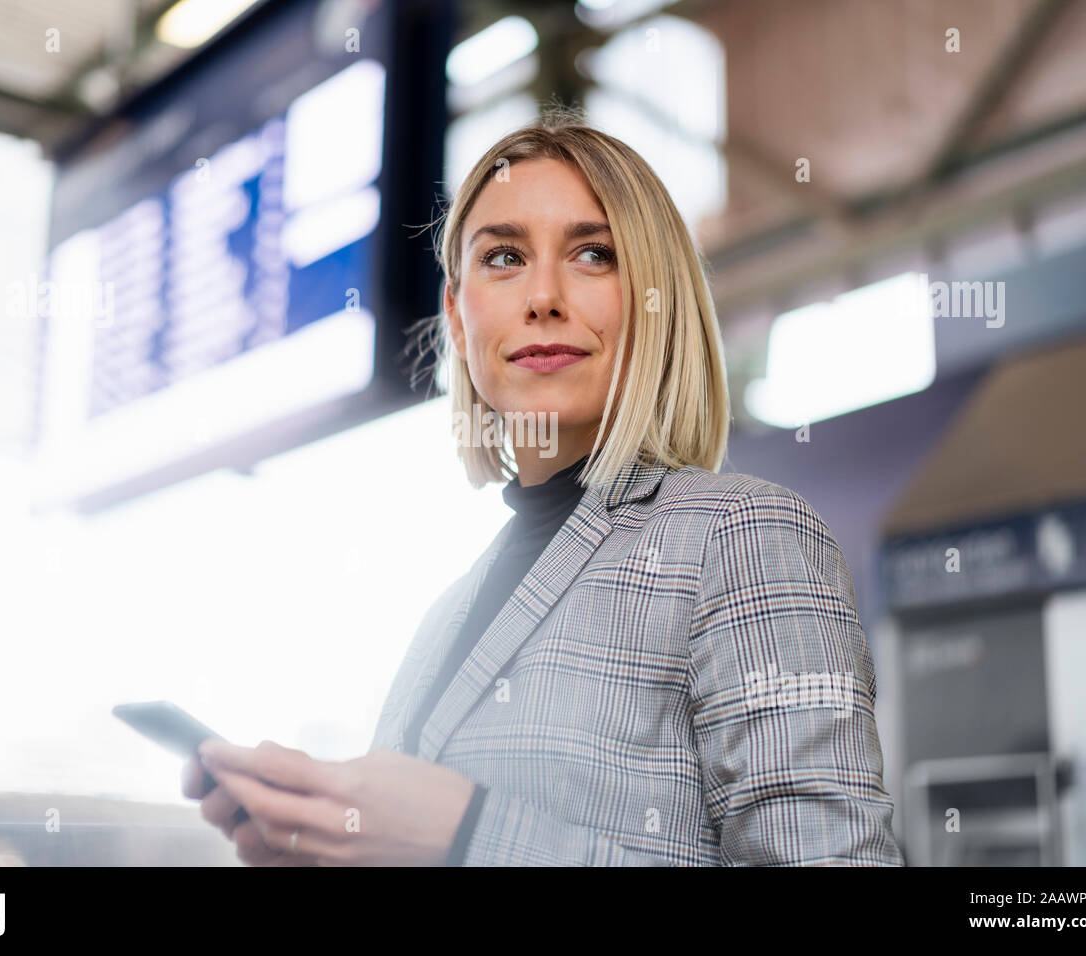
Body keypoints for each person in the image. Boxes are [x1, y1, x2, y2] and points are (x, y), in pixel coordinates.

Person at [183, 109, 905, 866]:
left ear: (658, 303)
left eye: (594, 253)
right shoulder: (448, 615)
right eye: (502, 258)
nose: (544, 296)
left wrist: (469, 838)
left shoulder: (742, 536)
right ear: (460, 322)